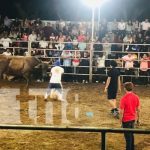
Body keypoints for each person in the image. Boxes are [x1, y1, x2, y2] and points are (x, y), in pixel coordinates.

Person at [119, 82, 140, 150]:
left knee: (128, 138)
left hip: (126, 120)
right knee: (131, 135)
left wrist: (120, 121)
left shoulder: (124, 98)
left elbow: (121, 111)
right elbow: (138, 109)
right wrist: (138, 119)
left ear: (125, 89)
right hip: (133, 119)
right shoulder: (136, 97)